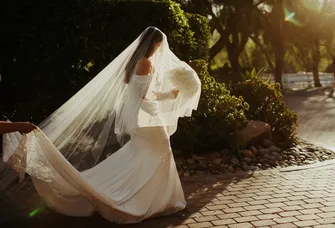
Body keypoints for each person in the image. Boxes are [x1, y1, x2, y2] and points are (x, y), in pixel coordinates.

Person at [1, 27, 201, 224]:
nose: (161, 49)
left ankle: (147, 197)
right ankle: (150, 201)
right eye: (159, 44)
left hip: (138, 118)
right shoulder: (145, 63)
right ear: (154, 44)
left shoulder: (134, 62)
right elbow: (143, 96)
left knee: (141, 157)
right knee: (161, 153)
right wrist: (170, 95)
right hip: (144, 118)